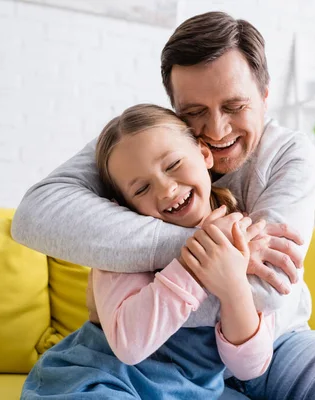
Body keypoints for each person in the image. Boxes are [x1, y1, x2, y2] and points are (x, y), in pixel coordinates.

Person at [13, 11, 315, 399]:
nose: (217, 130)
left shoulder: (289, 155)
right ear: (175, 109)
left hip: (273, 345)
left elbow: (266, 289)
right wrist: (215, 250)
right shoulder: (144, 144)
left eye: (234, 106)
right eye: (194, 112)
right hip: (165, 356)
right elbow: (35, 217)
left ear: (264, 95)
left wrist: (142, 262)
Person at [21, 104, 275, 399]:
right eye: (141, 189)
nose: (166, 190)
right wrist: (195, 261)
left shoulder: (242, 235)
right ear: (124, 205)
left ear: (204, 154)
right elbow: (130, 346)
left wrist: (233, 288)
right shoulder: (120, 248)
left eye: (173, 165)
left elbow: (250, 367)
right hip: (100, 378)